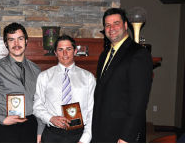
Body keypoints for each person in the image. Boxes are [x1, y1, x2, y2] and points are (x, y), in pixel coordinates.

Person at [91, 8, 153, 143]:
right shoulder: (104, 55)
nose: (111, 28)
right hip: (101, 132)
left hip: (122, 134)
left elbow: (139, 102)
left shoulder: (138, 54)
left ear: (125, 26)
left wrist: (126, 137)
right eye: (107, 25)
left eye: (116, 23)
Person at [0, 22, 43, 142]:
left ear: (26, 41)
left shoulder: (36, 70)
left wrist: (40, 132)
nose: (16, 44)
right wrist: (3, 119)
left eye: (20, 39)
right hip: (4, 128)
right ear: (6, 43)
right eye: (12, 40)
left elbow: (40, 102)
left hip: (30, 126)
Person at [33, 35, 95, 143]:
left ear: (75, 51)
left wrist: (85, 139)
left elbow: (92, 110)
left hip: (79, 135)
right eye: (60, 50)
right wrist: (50, 118)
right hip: (52, 134)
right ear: (56, 53)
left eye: (68, 49)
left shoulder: (88, 77)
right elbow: (37, 107)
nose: (65, 54)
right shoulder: (44, 76)